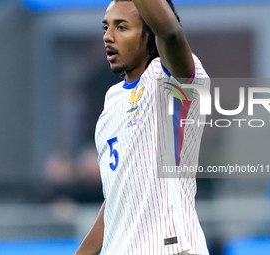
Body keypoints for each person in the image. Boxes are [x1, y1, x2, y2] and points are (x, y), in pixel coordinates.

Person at [75, 0, 210, 254]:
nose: (107, 36)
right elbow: (117, 201)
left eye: (122, 27)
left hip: (171, 248)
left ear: (150, 35)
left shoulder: (172, 80)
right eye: (106, 27)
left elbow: (170, 32)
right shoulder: (111, 103)